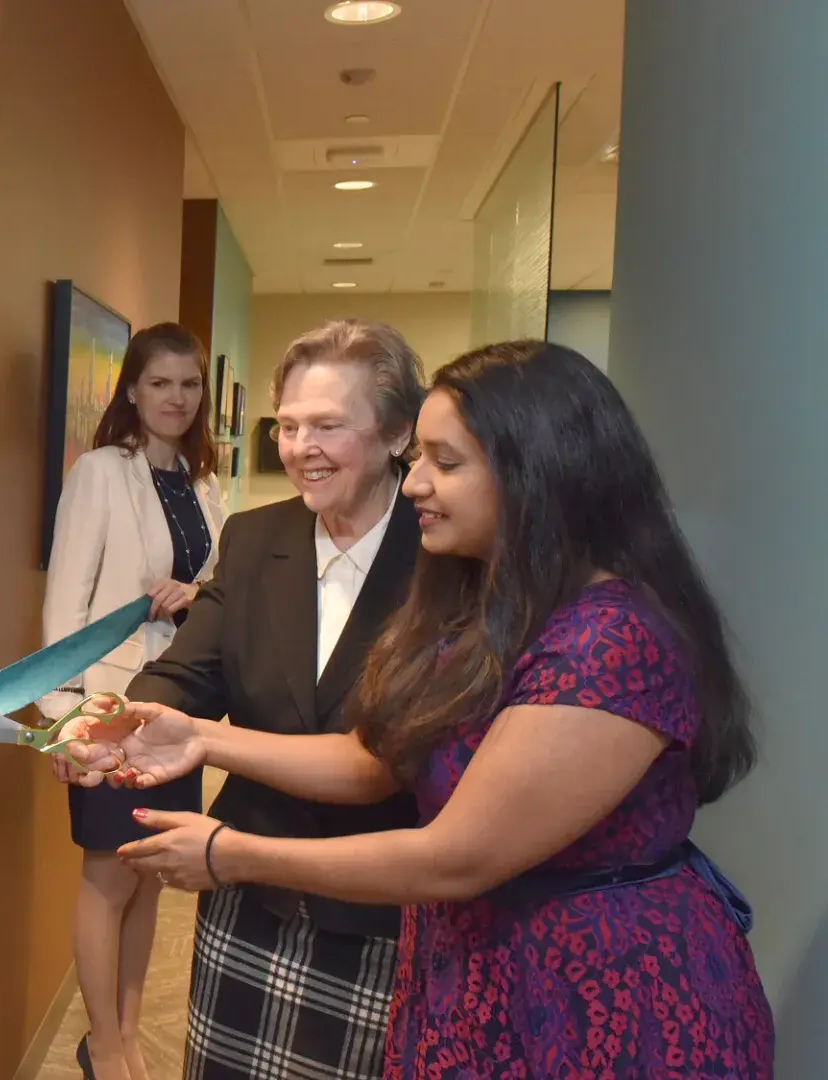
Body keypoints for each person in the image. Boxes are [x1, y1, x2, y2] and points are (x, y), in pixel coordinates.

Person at [71, 341, 775, 1077]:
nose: (418, 486)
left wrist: (229, 854)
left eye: (447, 462)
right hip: (472, 966)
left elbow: (455, 857)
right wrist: (196, 740)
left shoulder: (610, 640)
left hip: (595, 994)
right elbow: (375, 759)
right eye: (289, 424)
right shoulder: (498, 603)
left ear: (535, 470)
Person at [57, 317, 431, 1080]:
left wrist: (200, 739)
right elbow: (190, 670)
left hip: (385, 907)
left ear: (397, 433)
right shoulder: (259, 539)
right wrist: (117, 721)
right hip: (249, 898)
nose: (301, 448)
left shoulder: (444, 555)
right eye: (289, 425)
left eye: (328, 425)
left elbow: (385, 761)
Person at [40, 322, 226, 1080]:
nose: (176, 398)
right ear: (131, 390)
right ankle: (105, 1046)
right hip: (109, 709)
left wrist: (197, 596)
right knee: (107, 875)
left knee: (149, 871)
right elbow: (64, 605)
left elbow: (217, 587)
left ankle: (123, 1031)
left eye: (189, 384)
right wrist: (64, 724)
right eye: (161, 384)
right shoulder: (100, 473)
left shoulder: (201, 480)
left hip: (175, 709)